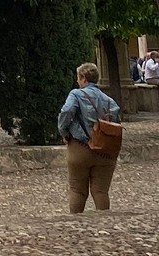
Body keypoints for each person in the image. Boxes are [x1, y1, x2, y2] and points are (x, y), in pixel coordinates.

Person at [57, 62, 122, 213]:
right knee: (101, 191)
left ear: (83, 78)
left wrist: (64, 132)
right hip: (105, 151)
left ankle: (76, 224)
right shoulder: (109, 100)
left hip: (81, 148)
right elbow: (116, 122)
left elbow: (66, 111)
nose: (77, 81)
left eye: (78, 78)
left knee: (77, 190)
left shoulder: (76, 94)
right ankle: (104, 224)